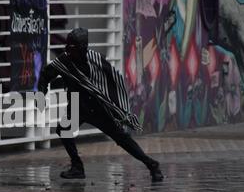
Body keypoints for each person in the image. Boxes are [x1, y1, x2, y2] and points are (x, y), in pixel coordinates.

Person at [38, 28, 164, 182]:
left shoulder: (96, 59)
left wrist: (117, 106)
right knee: (64, 130)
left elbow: (113, 80)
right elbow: (45, 75)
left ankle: (152, 165)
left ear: (83, 48)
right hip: (78, 104)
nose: (69, 51)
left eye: (73, 48)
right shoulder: (63, 61)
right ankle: (77, 166)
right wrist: (41, 93)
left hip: (99, 106)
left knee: (122, 138)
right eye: (68, 47)